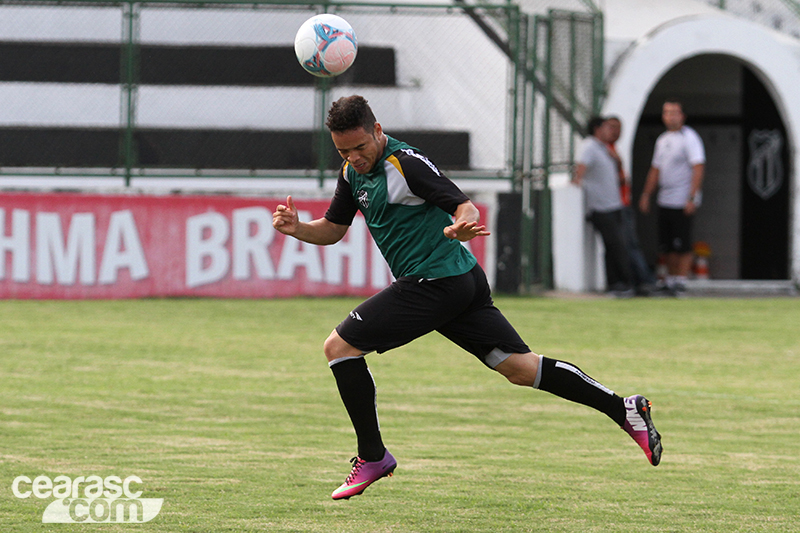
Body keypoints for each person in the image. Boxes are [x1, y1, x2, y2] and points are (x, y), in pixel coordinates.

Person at [273, 95, 662, 501]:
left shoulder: (405, 163)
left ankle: (372, 456)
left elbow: (465, 206)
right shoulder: (352, 173)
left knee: (339, 347)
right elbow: (334, 228)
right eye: (343, 151)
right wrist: (298, 228)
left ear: (378, 131)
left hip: (434, 281)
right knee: (520, 368)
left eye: (360, 147)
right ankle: (625, 409)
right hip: (458, 281)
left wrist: (461, 225)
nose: (354, 158)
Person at [639, 99, 706, 295]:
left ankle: (681, 281)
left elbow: (698, 168)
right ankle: (669, 280)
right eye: (667, 112)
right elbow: (655, 169)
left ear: (682, 116)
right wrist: (646, 194)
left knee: (682, 244)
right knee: (666, 245)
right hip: (665, 199)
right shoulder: (662, 140)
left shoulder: (689, 138)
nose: (670, 116)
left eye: (674, 112)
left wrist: (692, 197)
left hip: (681, 200)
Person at [572, 117, 634, 296]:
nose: (611, 131)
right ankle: (619, 283)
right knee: (616, 246)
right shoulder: (589, 146)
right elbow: (581, 168)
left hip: (614, 205)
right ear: (597, 129)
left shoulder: (605, 148)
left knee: (615, 246)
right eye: (607, 127)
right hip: (600, 207)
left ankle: (618, 284)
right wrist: (576, 181)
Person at [605, 116, 657, 294]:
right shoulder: (606, 151)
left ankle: (640, 281)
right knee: (627, 245)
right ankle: (642, 280)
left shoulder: (614, 150)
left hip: (623, 204)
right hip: (615, 205)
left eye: (618, 128)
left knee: (629, 244)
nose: (615, 131)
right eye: (611, 127)